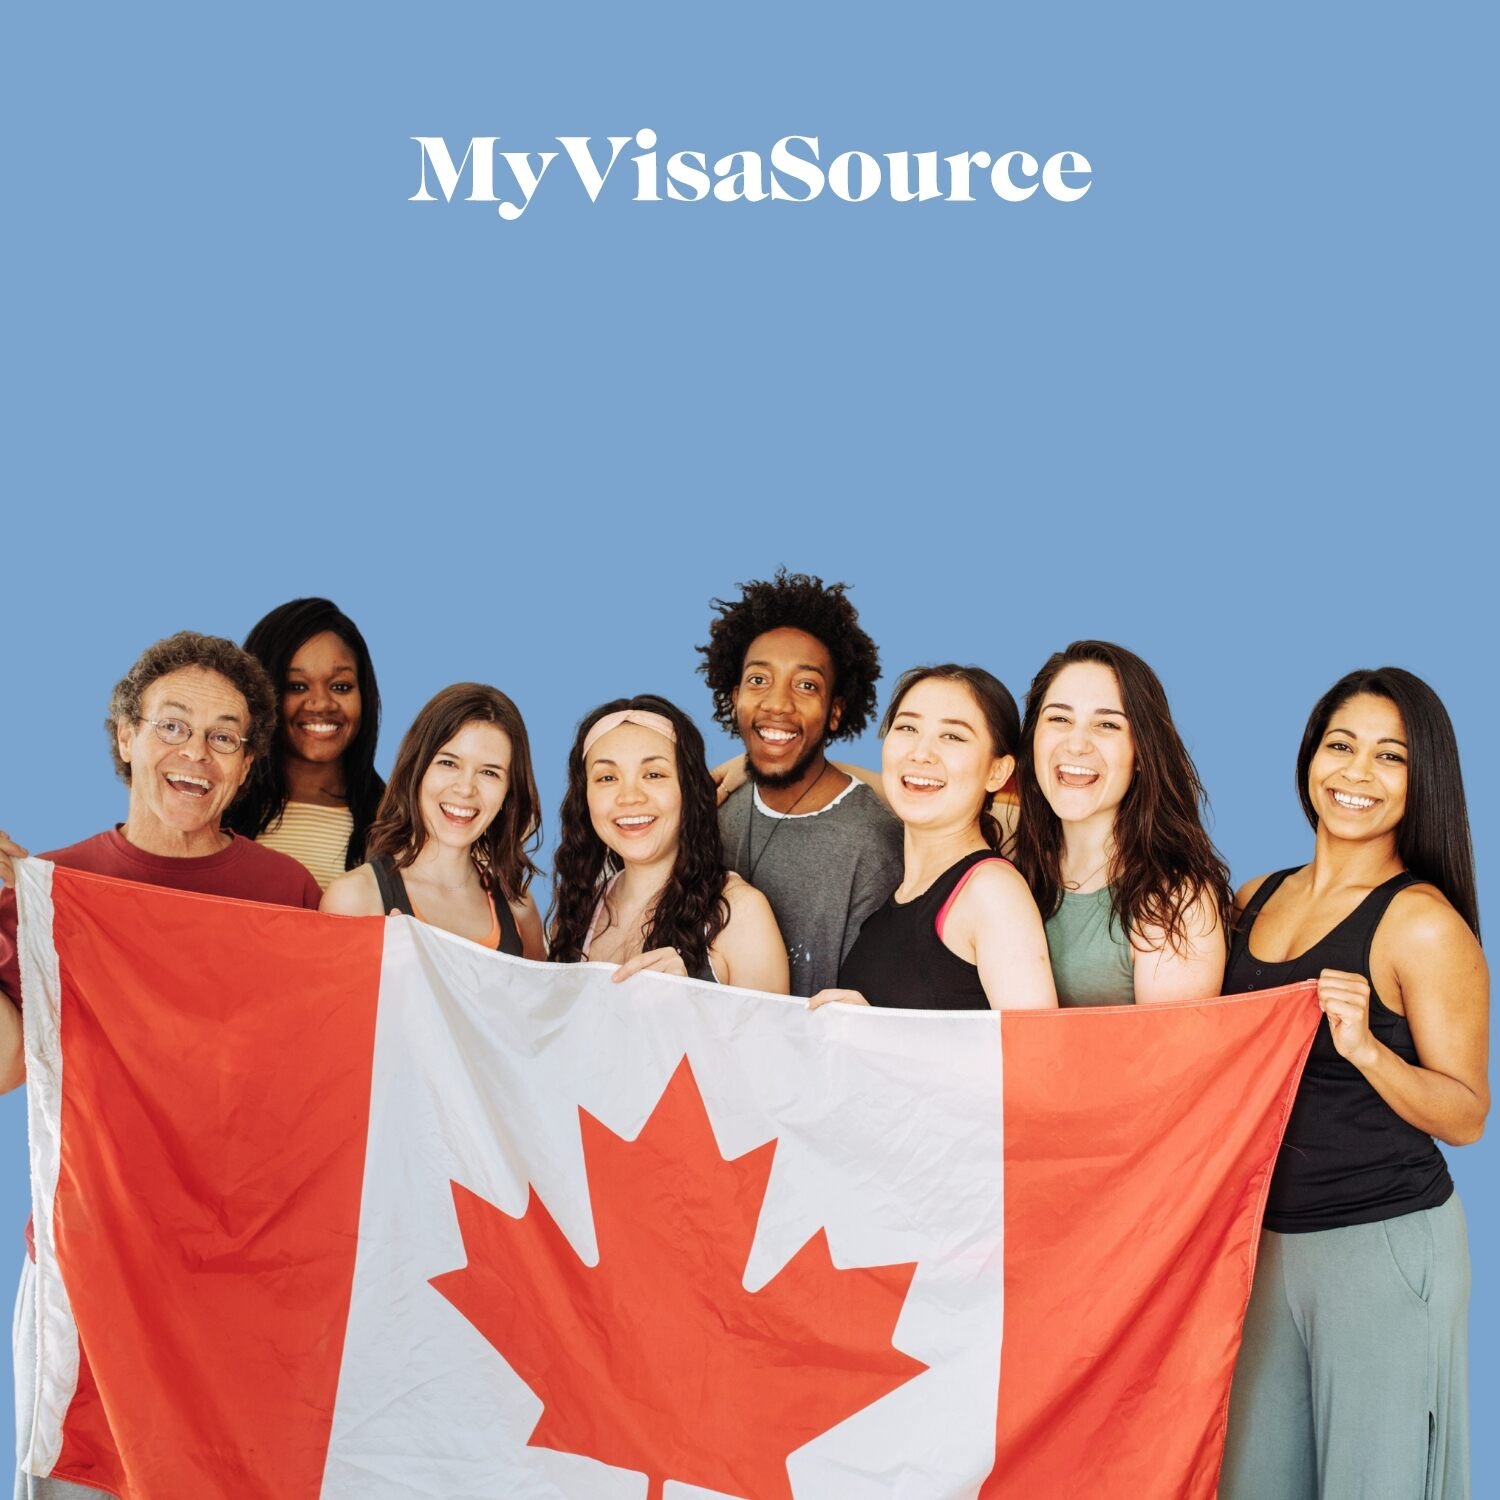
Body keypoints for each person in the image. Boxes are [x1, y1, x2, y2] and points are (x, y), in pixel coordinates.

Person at [0, 631, 322, 1500]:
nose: (196, 752)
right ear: (125, 735)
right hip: (93, 1271)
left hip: (239, 1276)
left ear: (249, 763)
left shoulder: (287, 896)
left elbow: (314, 1087)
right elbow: (4, 1065)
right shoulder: (53, 887)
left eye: (225, 736)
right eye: (172, 725)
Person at [1219, 667, 1488, 1500]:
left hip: (1382, 1244)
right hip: (1263, 1245)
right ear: (1310, 757)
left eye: (1389, 757)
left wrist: (1368, 1049)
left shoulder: (1420, 922)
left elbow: (1468, 1113)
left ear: (1421, 781)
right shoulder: (1253, 895)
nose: (1355, 774)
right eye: (1340, 745)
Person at [698, 570, 902, 996]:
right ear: (734, 697)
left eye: (806, 685)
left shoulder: (872, 843)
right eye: (758, 680)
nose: (777, 702)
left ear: (834, 712)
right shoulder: (712, 813)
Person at [811, 665, 1056, 1012]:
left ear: (997, 771)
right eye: (908, 728)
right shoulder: (895, 897)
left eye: (952, 736)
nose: (921, 752)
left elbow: (1035, 1057)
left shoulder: (991, 893)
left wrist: (878, 1032)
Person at [1011, 640, 1229, 1006]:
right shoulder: (1010, 864)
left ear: (1142, 752)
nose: (1077, 744)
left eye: (1107, 724)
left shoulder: (1173, 901)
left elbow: (1176, 1061)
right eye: (1059, 719)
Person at [549, 696, 788, 993]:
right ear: (585, 799)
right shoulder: (575, 914)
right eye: (607, 777)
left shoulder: (740, 913)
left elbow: (772, 1040)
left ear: (689, 790)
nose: (630, 796)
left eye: (654, 774)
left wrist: (690, 1001)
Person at [321, 684, 546, 958]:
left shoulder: (518, 909)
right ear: (417, 769)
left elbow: (547, 1002)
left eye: (489, 772)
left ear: (508, 793)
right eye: (448, 763)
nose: (465, 789)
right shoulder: (355, 898)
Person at [225, 597, 385, 890]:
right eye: (296, 686)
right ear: (259, 695)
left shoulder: (397, 821)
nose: (322, 703)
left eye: (341, 686)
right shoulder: (219, 809)